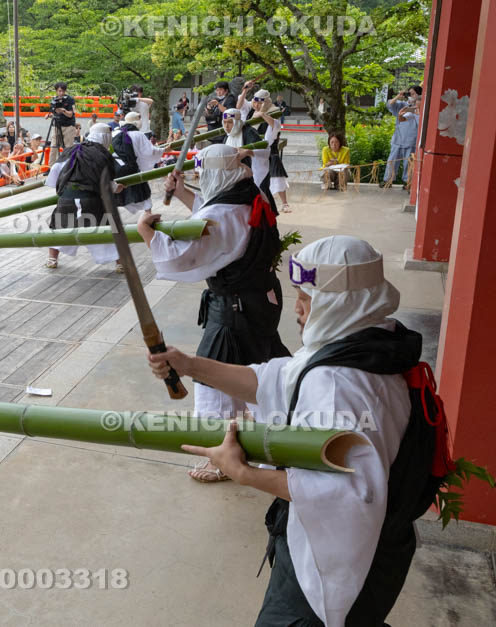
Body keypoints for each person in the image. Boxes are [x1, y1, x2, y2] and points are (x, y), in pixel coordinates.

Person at [148, 236, 438, 627]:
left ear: (340, 302)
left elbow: (345, 495)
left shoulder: (337, 385)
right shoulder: (372, 340)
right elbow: (273, 380)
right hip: (379, 548)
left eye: (309, 297)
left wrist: (244, 473)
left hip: (335, 571)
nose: (297, 308)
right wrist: (189, 365)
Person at [143, 143, 289, 481]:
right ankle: (264, 444)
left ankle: (221, 455)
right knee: (256, 368)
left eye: (203, 174)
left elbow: (188, 250)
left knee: (213, 378)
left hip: (236, 306)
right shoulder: (250, 192)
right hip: (259, 299)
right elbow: (212, 216)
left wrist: (148, 234)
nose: (200, 178)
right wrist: (181, 192)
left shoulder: (226, 210)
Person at [43, 123, 124, 271]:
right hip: (91, 200)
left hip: (66, 198)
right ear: (106, 138)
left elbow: (55, 172)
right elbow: (106, 182)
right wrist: (116, 188)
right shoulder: (103, 155)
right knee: (108, 229)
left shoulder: (71, 150)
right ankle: (120, 263)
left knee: (58, 228)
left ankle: (52, 259)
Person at [239, 88, 291, 212]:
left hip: (268, 150)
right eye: (255, 102)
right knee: (255, 181)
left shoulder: (273, 111)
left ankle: (284, 203)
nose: (257, 105)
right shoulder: (250, 110)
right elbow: (239, 105)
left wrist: (263, 113)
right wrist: (245, 90)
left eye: (260, 102)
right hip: (252, 151)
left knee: (276, 177)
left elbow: (276, 126)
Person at [111, 111, 165, 218]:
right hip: (132, 170)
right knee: (145, 195)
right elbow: (150, 152)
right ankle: (148, 216)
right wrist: (163, 150)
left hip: (114, 171)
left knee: (113, 195)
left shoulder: (114, 133)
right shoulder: (138, 134)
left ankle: (111, 218)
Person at [383, 86, 422, 187]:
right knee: (392, 161)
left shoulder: (419, 107)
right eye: (409, 94)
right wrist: (398, 96)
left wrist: (416, 108)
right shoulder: (403, 105)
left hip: (411, 140)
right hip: (398, 138)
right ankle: (388, 180)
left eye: (413, 94)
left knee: (408, 163)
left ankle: (408, 182)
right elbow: (389, 105)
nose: (411, 96)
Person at [47, 82, 76, 150]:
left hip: (68, 126)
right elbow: (53, 112)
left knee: (68, 148)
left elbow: (71, 114)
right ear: (56, 91)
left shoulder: (70, 99)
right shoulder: (54, 100)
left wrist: (63, 111)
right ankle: (53, 161)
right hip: (57, 125)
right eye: (59, 91)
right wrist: (49, 115)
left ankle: (67, 161)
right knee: (53, 146)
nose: (61, 93)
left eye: (63, 91)